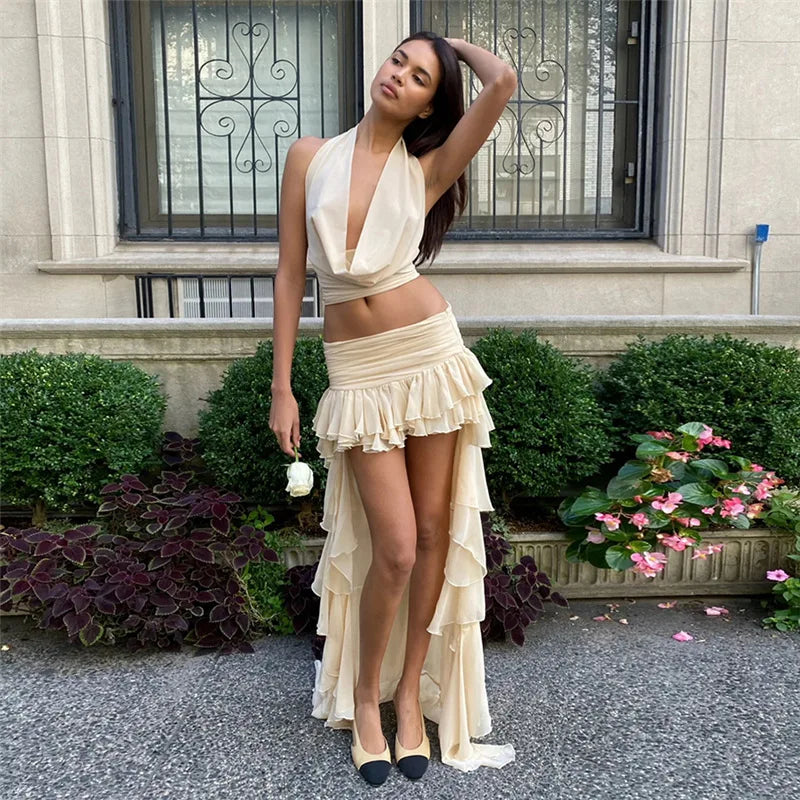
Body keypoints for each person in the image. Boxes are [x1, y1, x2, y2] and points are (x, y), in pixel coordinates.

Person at [269, 31, 517, 784]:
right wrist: (282, 385)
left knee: (435, 533)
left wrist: (450, 44)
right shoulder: (309, 157)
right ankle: (364, 701)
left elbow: (502, 82)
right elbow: (289, 274)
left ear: (428, 106)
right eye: (397, 61)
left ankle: (409, 696)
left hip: (429, 354)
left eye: (419, 77)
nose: (398, 76)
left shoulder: (428, 168)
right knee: (398, 547)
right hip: (357, 368)